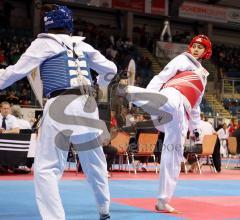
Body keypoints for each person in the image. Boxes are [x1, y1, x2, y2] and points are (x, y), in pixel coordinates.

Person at [0, 4, 117, 220]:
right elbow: (111, 69)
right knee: (94, 162)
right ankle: (104, 211)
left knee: (47, 168)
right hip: (88, 105)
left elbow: (15, 72)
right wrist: (100, 83)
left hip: (60, 104)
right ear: (69, 24)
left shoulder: (42, 44)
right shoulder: (83, 46)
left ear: (47, 25)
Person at [123, 35, 212, 213]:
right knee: (171, 101)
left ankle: (163, 200)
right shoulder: (183, 59)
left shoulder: (203, 77)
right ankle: (126, 90)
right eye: (194, 46)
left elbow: (195, 106)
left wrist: (196, 130)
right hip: (170, 98)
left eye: (200, 47)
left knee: (174, 156)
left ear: (206, 52)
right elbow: (161, 76)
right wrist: (150, 96)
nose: (195, 49)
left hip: (180, 117)